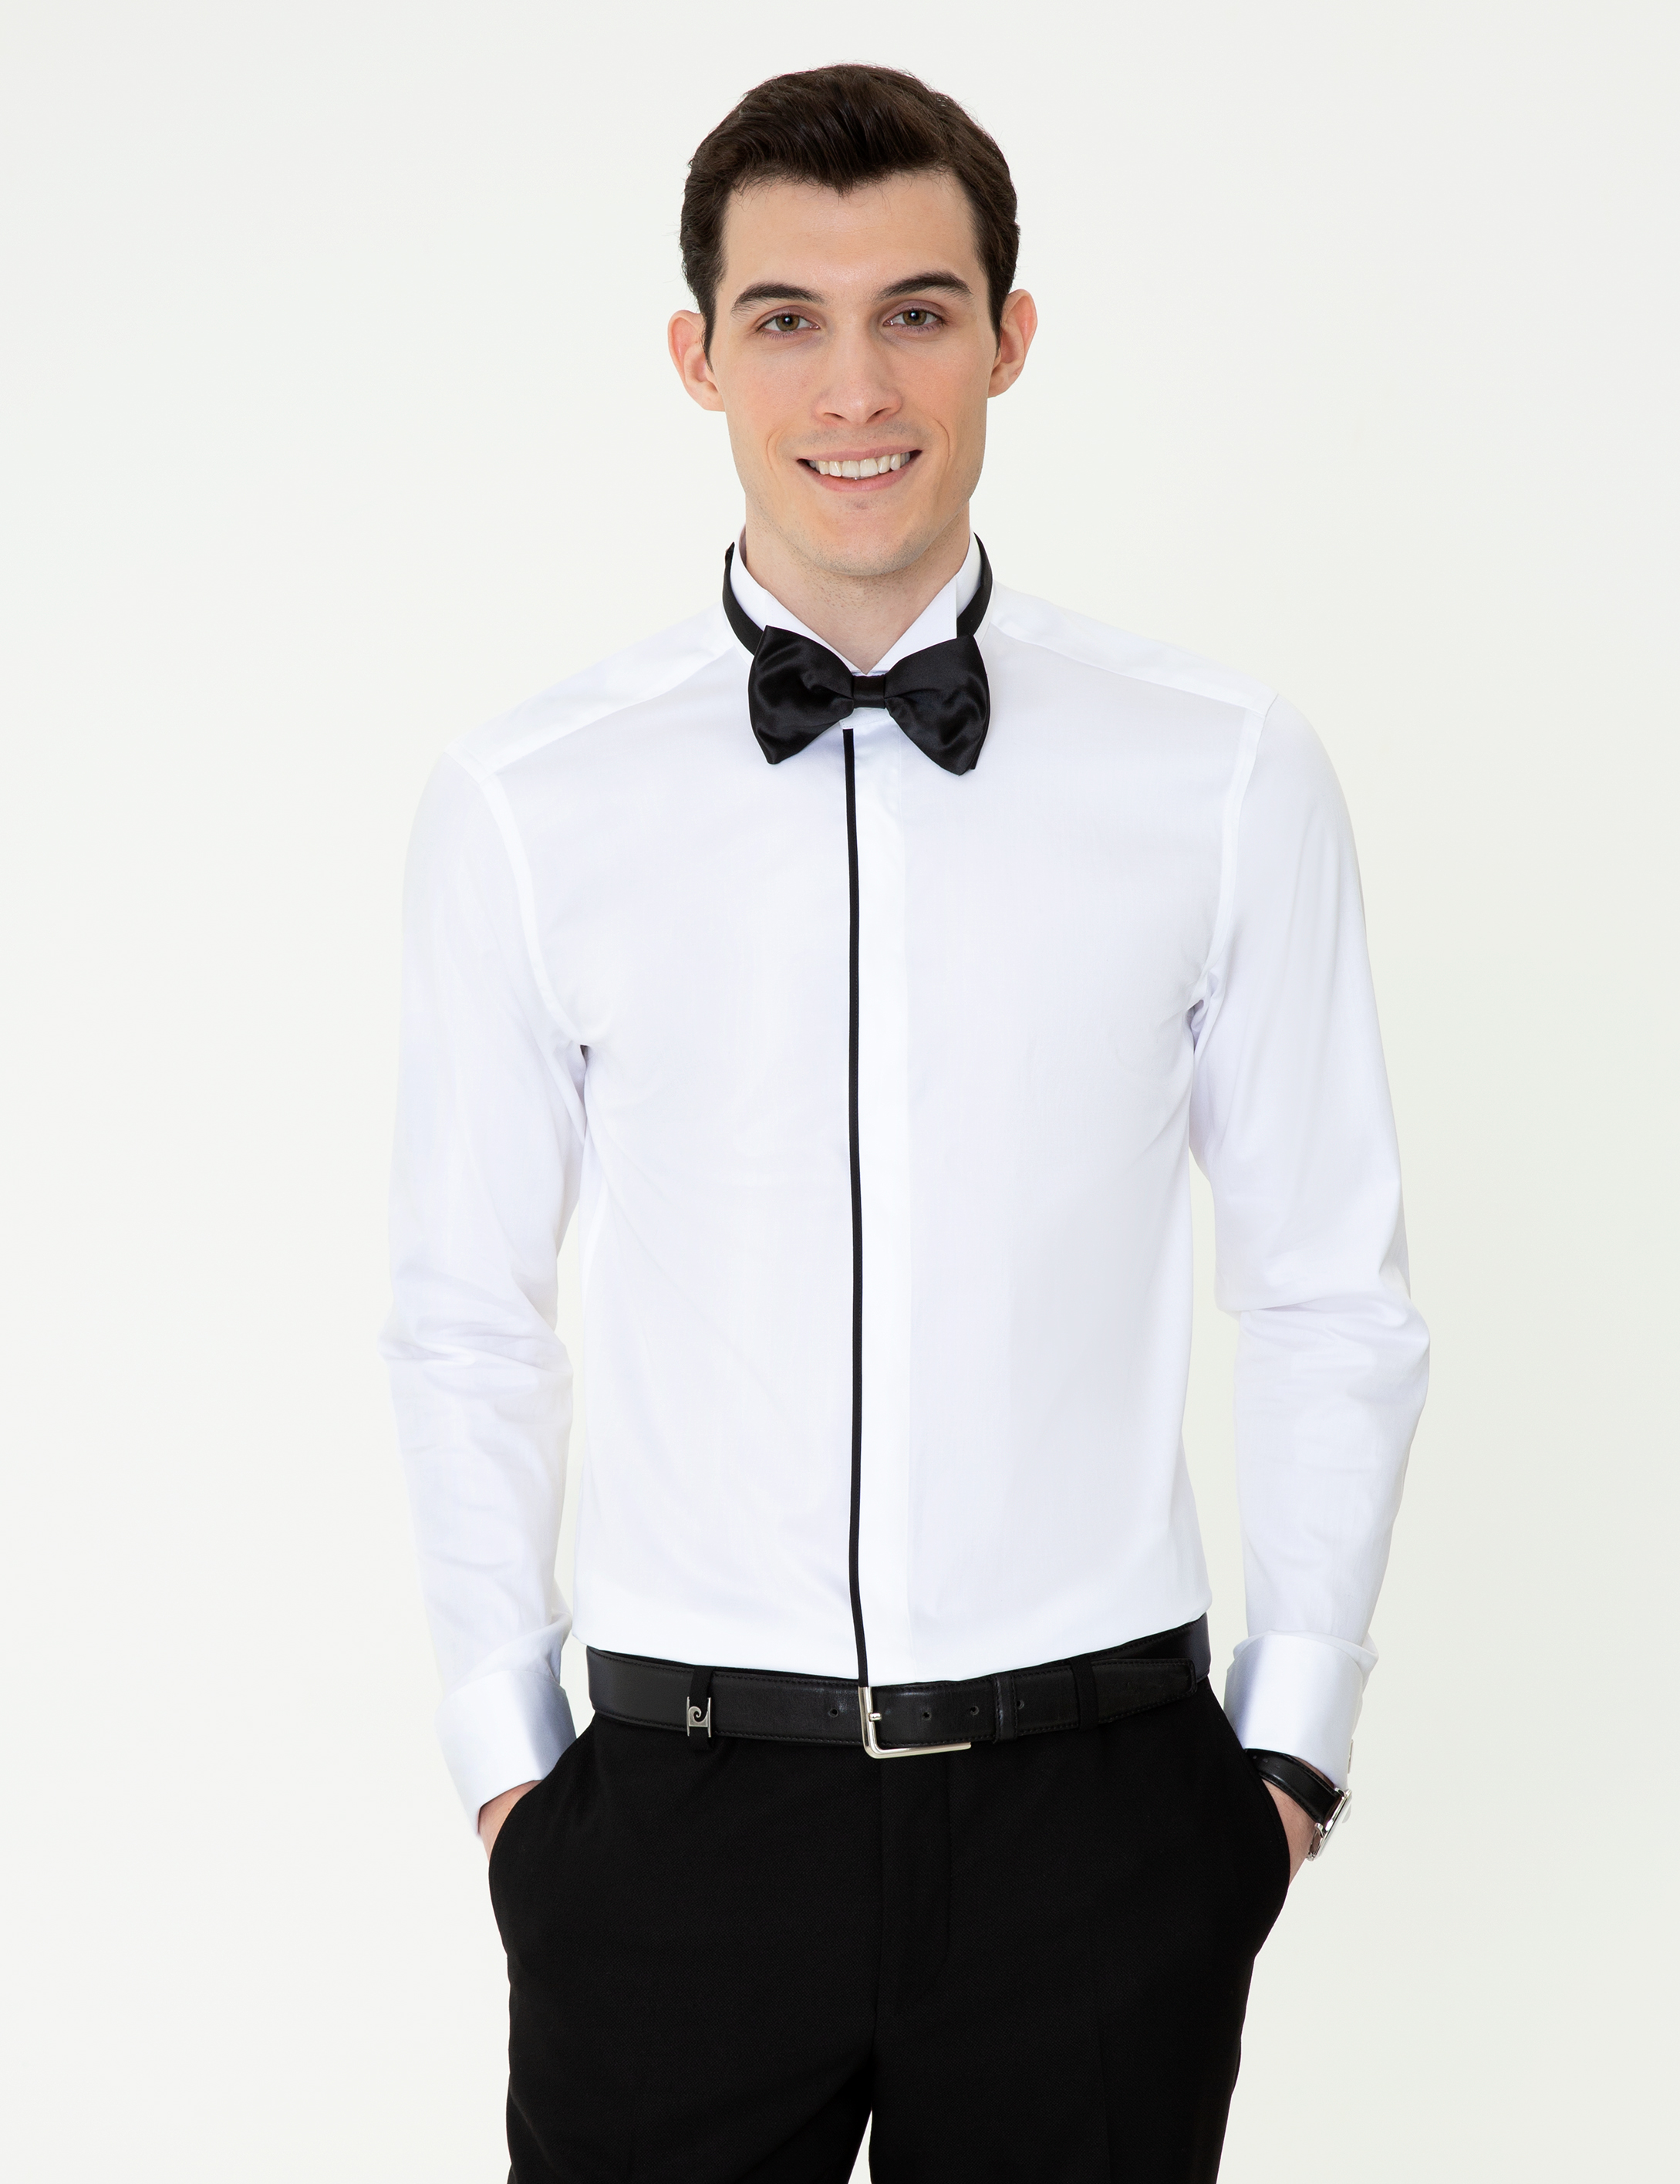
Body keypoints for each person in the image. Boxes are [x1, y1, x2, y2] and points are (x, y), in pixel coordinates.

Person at [382, 62, 1429, 2184]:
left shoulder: (1223, 770)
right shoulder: (526, 801)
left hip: (1098, 1818)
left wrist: (1288, 1751)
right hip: (671, 1825)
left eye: (917, 312)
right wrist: (514, 1770)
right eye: (786, 318)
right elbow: (465, 1311)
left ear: (1008, 337)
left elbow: (1330, 1283)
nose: (854, 386)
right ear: (697, 357)